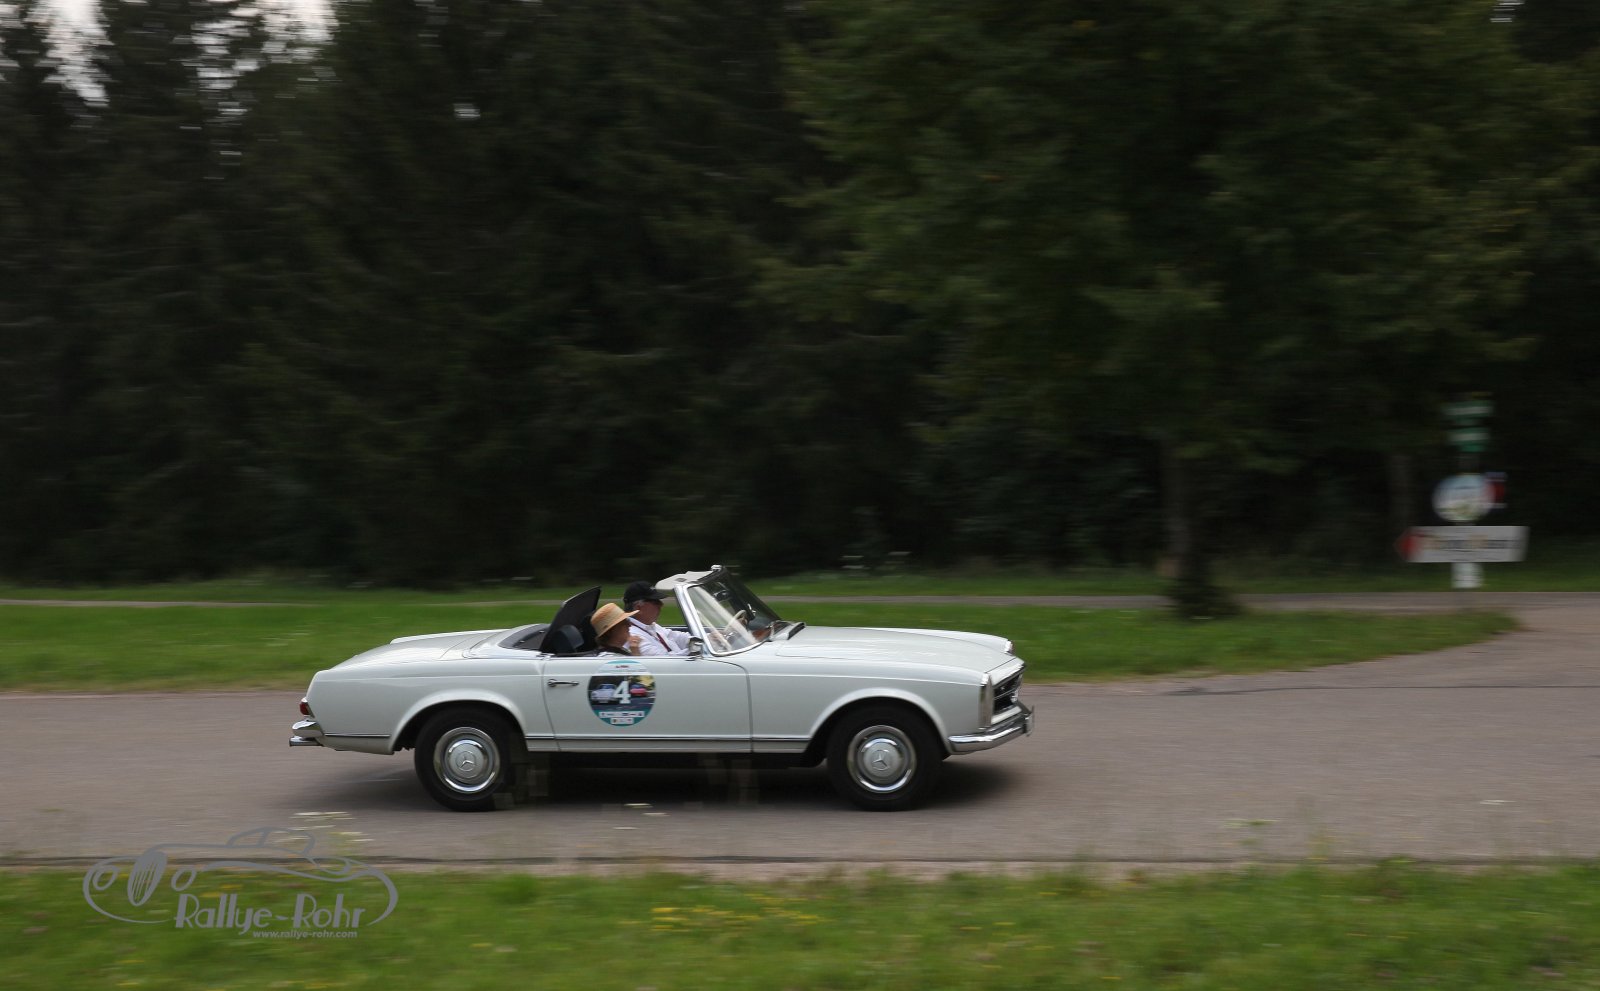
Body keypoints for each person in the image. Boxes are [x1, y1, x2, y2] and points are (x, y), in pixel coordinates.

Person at [622, 580, 693, 656]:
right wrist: (695, 650)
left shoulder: (650, 625)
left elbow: (676, 637)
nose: (661, 605)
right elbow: (664, 659)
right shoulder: (632, 635)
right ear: (638, 608)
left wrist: (698, 640)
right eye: (655, 602)